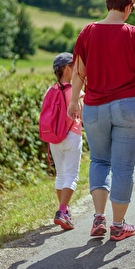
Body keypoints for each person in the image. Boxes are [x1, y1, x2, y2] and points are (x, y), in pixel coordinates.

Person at [67, 0, 135, 241]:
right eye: (133, 7)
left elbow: (78, 72)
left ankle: (98, 218)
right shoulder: (134, 33)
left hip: (94, 108)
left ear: (108, 3)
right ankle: (118, 225)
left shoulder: (87, 32)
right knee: (123, 167)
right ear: (128, 6)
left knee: (99, 161)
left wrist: (74, 102)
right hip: (129, 106)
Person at [49, 52, 84, 230]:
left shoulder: (50, 90)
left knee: (61, 175)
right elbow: (83, 116)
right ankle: (62, 211)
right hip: (72, 135)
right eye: (75, 67)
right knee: (71, 175)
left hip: (54, 138)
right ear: (68, 69)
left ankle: (64, 210)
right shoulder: (76, 91)